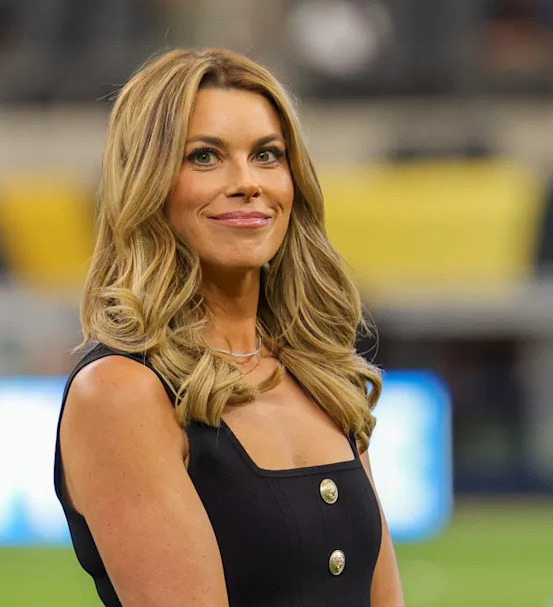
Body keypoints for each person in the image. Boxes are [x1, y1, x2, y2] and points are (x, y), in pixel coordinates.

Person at [53, 48, 404, 606]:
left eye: (267, 155)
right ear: (149, 182)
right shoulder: (121, 394)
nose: (248, 183)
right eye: (205, 157)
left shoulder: (322, 376)